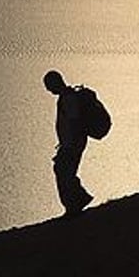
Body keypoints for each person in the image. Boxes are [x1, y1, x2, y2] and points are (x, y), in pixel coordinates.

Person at [44, 70, 95, 217]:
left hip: (73, 143)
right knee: (64, 171)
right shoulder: (66, 97)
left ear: (56, 82)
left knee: (64, 172)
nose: (48, 89)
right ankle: (77, 201)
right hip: (71, 143)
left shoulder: (68, 98)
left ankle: (75, 203)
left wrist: (69, 144)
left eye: (48, 85)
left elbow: (74, 121)